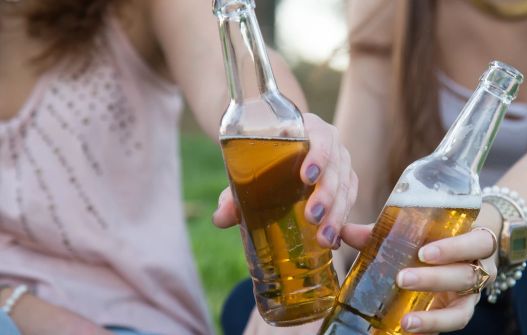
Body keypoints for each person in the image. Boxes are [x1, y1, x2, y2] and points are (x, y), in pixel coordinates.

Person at [219, 0, 527, 334]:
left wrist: (482, 238)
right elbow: (359, 193)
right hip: (452, 290)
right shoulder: (389, 10)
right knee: (256, 306)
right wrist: (306, 304)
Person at [0, 0, 356, 334]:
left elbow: (224, 67)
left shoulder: (135, 11)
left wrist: (290, 128)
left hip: (136, 319)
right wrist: (19, 309)